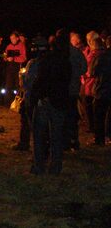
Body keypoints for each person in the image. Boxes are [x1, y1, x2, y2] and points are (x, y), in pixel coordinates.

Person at [30, 31, 71, 175]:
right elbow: (66, 82)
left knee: (39, 135)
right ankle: (55, 167)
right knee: (57, 136)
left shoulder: (47, 59)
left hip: (46, 100)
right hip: (60, 101)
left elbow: (40, 80)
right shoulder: (66, 62)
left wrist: (36, 96)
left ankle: (38, 165)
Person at [12, 36, 49, 151]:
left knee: (29, 122)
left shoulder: (33, 63)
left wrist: (22, 76)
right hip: (44, 98)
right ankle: (44, 148)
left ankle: (30, 146)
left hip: (32, 97)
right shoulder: (50, 61)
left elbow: (26, 83)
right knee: (43, 125)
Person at [63, 32, 87, 151]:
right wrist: (76, 74)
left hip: (63, 88)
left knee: (63, 114)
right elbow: (84, 68)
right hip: (73, 88)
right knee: (72, 114)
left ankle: (65, 141)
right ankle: (73, 140)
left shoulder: (61, 53)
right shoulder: (77, 53)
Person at [80, 32, 103, 135]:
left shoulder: (93, 54)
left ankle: (92, 127)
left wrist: (84, 75)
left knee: (89, 106)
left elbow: (88, 70)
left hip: (90, 85)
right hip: (99, 84)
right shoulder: (103, 52)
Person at [90, 38, 111, 145]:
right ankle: (108, 135)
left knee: (99, 116)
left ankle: (99, 139)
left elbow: (93, 72)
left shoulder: (101, 57)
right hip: (107, 88)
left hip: (102, 89)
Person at [4, 32, 27, 104]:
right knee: (8, 85)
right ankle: (8, 103)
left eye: (13, 38)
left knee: (18, 86)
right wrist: (5, 57)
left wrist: (14, 59)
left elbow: (24, 58)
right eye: (11, 39)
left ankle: (18, 103)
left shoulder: (21, 46)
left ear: (17, 38)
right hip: (10, 68)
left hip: (18, 68)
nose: (12, 40)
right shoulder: (9, 46)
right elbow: (6, 56)